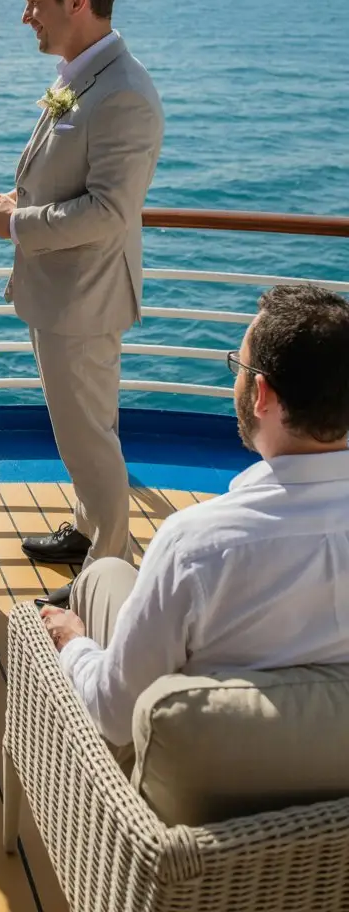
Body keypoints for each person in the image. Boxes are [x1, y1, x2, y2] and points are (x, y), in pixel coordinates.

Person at [41, 284, 349, 749]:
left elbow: (115, 716)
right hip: (332, 786)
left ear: (261, 394)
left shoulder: (197, 544)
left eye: (239, 367)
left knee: (103, 575)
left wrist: (74, 643)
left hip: (201, 789)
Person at [0, 0, 163, 606]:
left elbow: (107, 210)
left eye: (33, 3)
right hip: (63, 290)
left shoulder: (124, 93)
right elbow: (68, 178)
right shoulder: (81, 74)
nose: (26, 18)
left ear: (78, 0)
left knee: (88, 437)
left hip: (85, 296)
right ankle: (84, 527)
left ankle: (107, 566)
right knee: (78, 428)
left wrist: (13, 226)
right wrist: (16, 201)